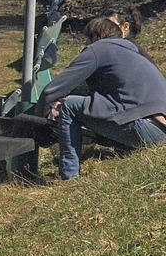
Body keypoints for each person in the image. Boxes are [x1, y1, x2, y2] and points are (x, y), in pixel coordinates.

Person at [35, 17, 166, 180]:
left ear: (94, 37)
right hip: (161, 129)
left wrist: (39, 122)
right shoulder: (133, 50)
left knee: (69, 106)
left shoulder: (98, 49)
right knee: (106, 107)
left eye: (87, 40)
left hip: (143, 129)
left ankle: (69, 176)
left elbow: (52, 90)